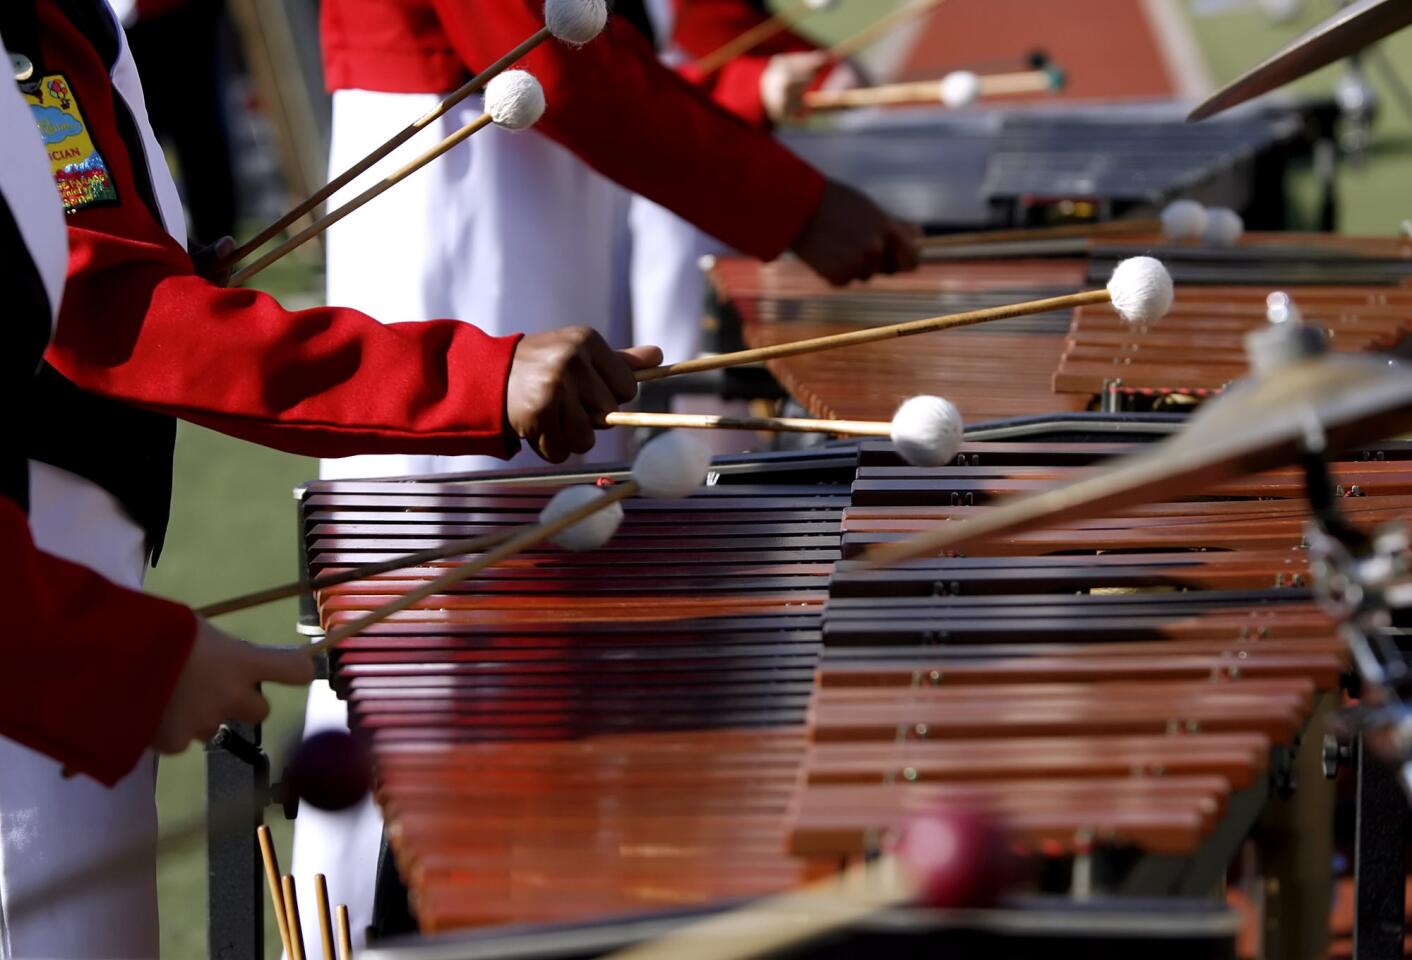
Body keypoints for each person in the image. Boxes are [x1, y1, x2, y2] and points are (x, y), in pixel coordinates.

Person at [2, 1, 659, 955]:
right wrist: (473, 375)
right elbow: (107, 313)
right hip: (30, 579)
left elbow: (88, 254)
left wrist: (173, 255)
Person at [293, 0, 913, 945]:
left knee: (535, 596)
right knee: (427, 618)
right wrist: (795, 204)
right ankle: (365, 930)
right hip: (459, 175)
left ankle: (510, 897)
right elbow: (548, 50)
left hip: (525, 165)